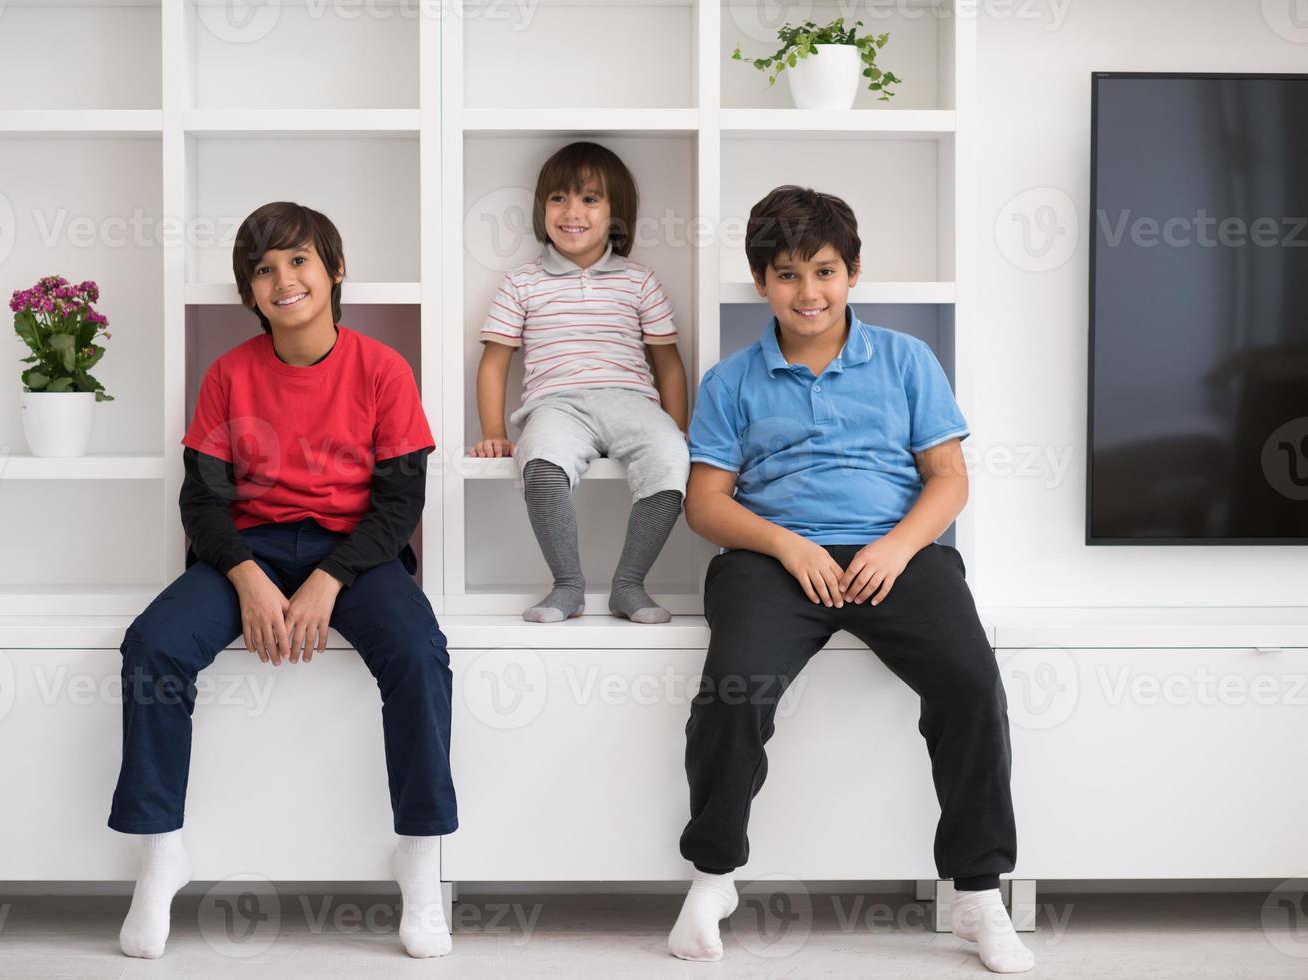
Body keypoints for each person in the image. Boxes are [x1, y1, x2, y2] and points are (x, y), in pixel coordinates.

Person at [667, 186, 1034, 973]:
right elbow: (704, 505)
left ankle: (977, 893)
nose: (809, 293)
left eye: (825, 272)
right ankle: (713, 876)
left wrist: (898, 548)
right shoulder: (732, 381)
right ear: (762, 282)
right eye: (789, 275)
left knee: (971, 683)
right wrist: (787, 546)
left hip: (893, 553)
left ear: (854, 271)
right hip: (769, 561)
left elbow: (947, 477)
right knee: (731, 689)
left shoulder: (905, 360)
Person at [107, 201, 456, 960]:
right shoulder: (228, 375)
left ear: (334, 272)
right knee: (153, 646)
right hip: (247, 547)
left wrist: (328, 579)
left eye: (298, 261)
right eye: (263, 270)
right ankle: (161, 851)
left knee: (419, 654)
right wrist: (248, 579)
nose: (282, 280)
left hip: (355, 553)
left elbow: (401, 501)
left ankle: (421, 859)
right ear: (250, 292)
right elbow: (200, 498)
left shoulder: (381, 369)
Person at [471, 141, 691, 623]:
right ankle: (567, 585)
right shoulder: (522, 282)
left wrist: (676, 427)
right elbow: (495, 362)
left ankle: (629, 586)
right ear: (541, 208)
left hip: (632, 403)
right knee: (542, 464)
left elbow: (668, 364)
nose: (572, 212)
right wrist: (494, 433)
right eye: (558, 199)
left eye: (590, 199)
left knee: (673, 460)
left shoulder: (640, 280)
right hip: (556, 406)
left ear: (616, 213)